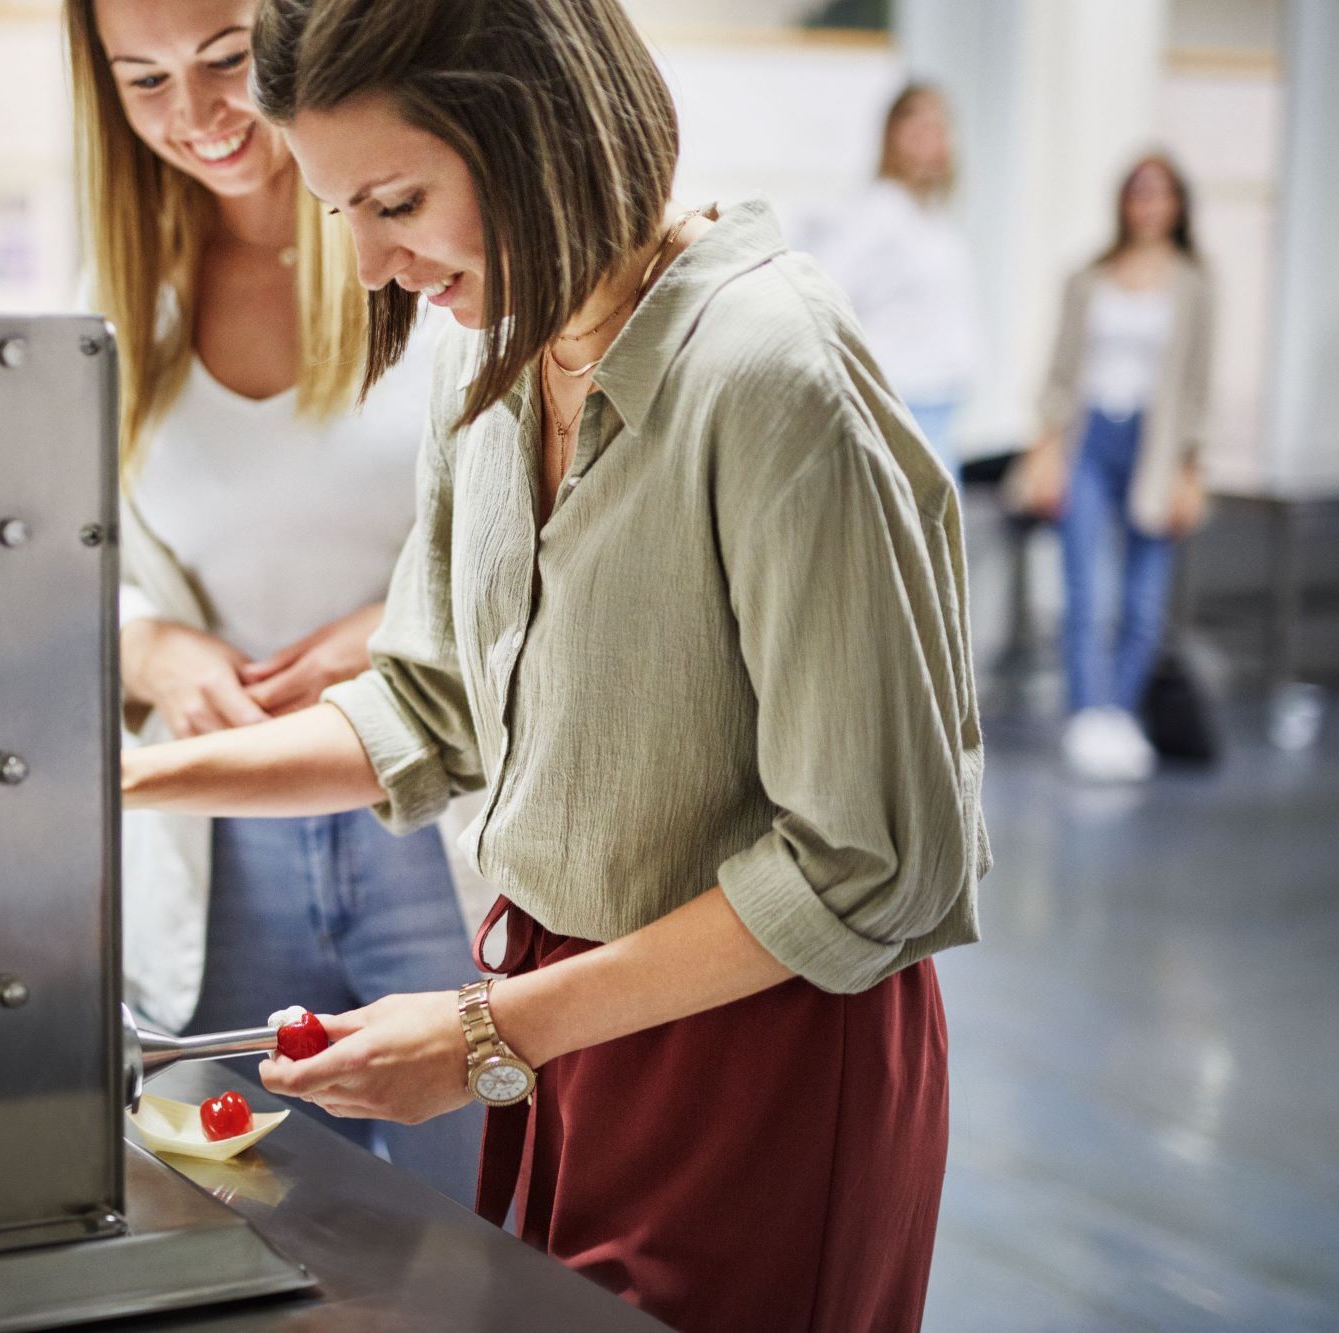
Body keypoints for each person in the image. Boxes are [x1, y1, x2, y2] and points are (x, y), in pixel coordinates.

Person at [122, 0, 990, 1328]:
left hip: (761, 1055)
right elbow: (425, 704)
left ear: (531, 127)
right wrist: (116, 788)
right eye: (343, 212)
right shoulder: (498, 363)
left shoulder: (766, 372)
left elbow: (867, 860)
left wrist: (491, 1032)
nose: (364, 267)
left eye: (394, 200)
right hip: (578, 1032)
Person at [64, 0, 483, 1201]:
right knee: (243, 1221)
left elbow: (546, 517)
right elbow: (65, 557)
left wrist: (395, 630)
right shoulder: (120, 290)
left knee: (492, 1228)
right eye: (141, 82)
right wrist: (146, 647)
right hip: (225, 821)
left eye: (225, 62)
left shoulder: (425, 247)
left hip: (432, 816)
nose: (194, 119)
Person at [1016, 153, 1213, 782]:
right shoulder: (1089, 278)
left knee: (1144, 594)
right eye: (1138, 194)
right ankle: (1087, 715)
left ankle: (1121, 712)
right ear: (1123, 203)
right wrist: (1045, 449)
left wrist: (1190, 468)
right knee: (1083, 586)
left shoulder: (1194, 284)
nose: (1148, 206)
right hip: (1089, 438)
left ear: (1177, 205)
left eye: (1160, 195)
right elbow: (1060, 370)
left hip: (1155, 448)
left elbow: (1196, 385)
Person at [803, 82, 982, 486]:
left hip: (939, 402)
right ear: (892, 140)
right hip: (902, 401)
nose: (930, 143)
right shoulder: (879, 212)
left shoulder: (933, 217)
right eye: (917, 132)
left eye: (938, 130)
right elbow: (824, 289)